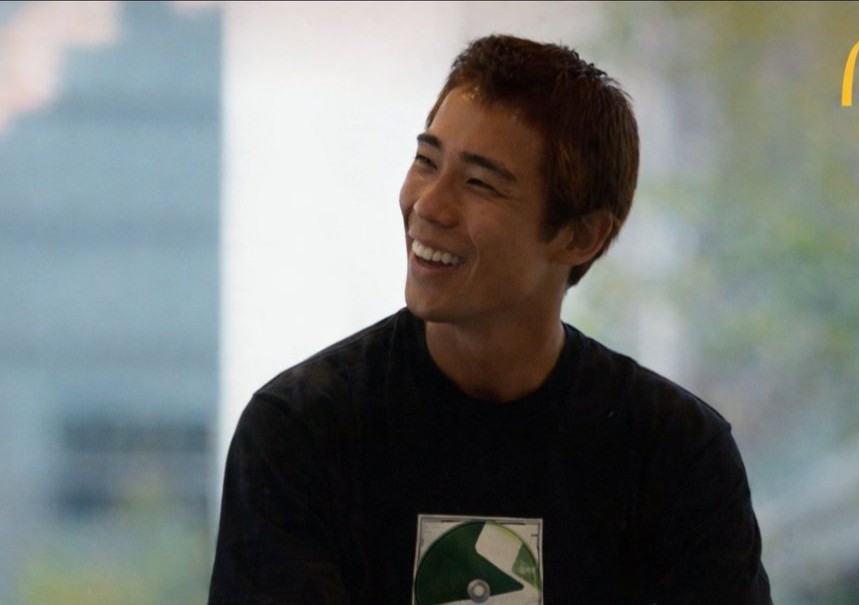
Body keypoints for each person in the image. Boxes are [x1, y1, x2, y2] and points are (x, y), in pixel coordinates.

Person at [208, 34, 772, 604]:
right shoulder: (301, 432)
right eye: (426, 162)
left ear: (580, 235)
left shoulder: (676, 455)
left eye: (479, 184)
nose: (429, 205)